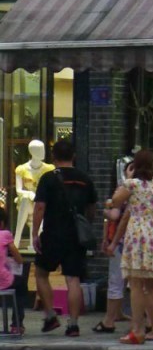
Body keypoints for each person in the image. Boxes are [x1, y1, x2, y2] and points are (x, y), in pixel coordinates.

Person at [107, 149, 153, 345]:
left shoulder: (132, 185)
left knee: (137, 284)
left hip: (138, 236)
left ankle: (138, 330)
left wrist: (127, 178)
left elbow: (114, 202)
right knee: (152, 283)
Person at [32, 138, 96, 337]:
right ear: (73, 156)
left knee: (41, 273)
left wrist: (34, 233)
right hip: (76, 236)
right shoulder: (85, 179)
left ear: (54, 157)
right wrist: (85, 224)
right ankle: (74, 324)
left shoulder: (48, 178)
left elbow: (40, 207)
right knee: (73, 279)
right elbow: (91, 208)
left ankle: (50, 315)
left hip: (53, 234)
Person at [95, 160, 135, 334]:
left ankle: (109, 319)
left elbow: (114, 215)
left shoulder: (124, 190)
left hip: (120, 242)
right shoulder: (148, 189)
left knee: (116, 280)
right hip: (138, 241)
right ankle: (119, 313)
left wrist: (104, 210)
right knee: (132, 281)